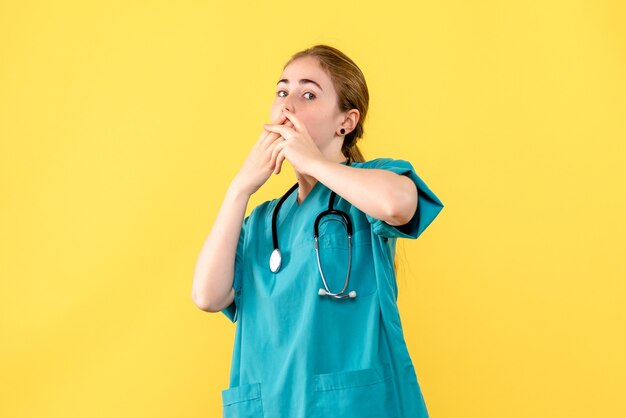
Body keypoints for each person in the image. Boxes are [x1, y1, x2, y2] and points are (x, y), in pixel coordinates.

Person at [192, 44, 444, 418]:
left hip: (350, 407)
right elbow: (207, 295)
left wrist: (312, 161)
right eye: (282, 91)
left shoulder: (369, 186)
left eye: (308, 93)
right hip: (273, 405)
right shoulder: (262, 221)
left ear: (347, 121)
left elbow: (397, 204)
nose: (287, 105)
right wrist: (239, 189)